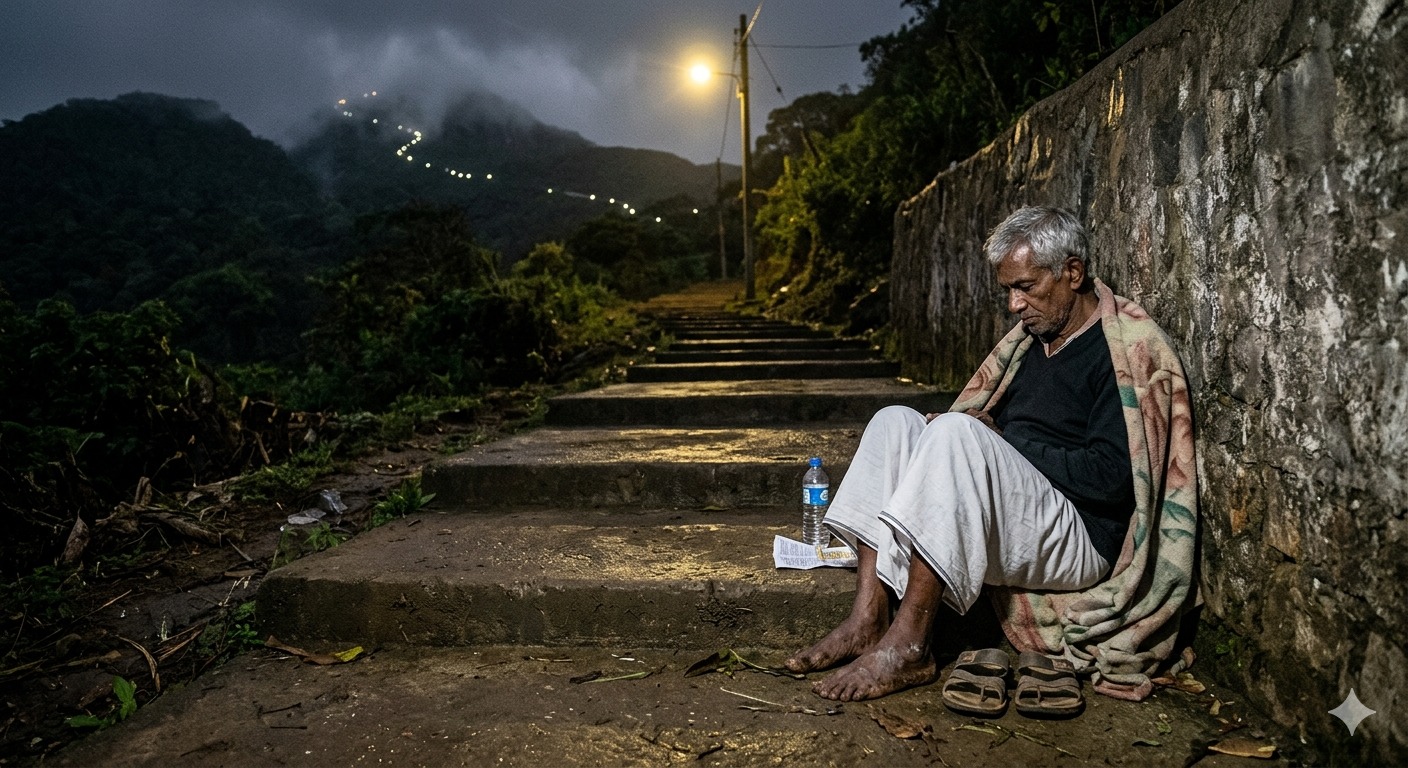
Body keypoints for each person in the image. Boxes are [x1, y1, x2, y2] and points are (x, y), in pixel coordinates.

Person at [784, 206, 1144, 702]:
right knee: (894, 421)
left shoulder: (1115, 352)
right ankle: (868, 617)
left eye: (1026, 287)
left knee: (957, 433)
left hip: (1078, 535)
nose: (1014, 305)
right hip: (1021, 514)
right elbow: (998, 436)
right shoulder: (1032, 344)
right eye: (1008, 291)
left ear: (1073, 272)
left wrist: (996, 438)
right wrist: (973, 431)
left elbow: (1110, 478)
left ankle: (911, 645)